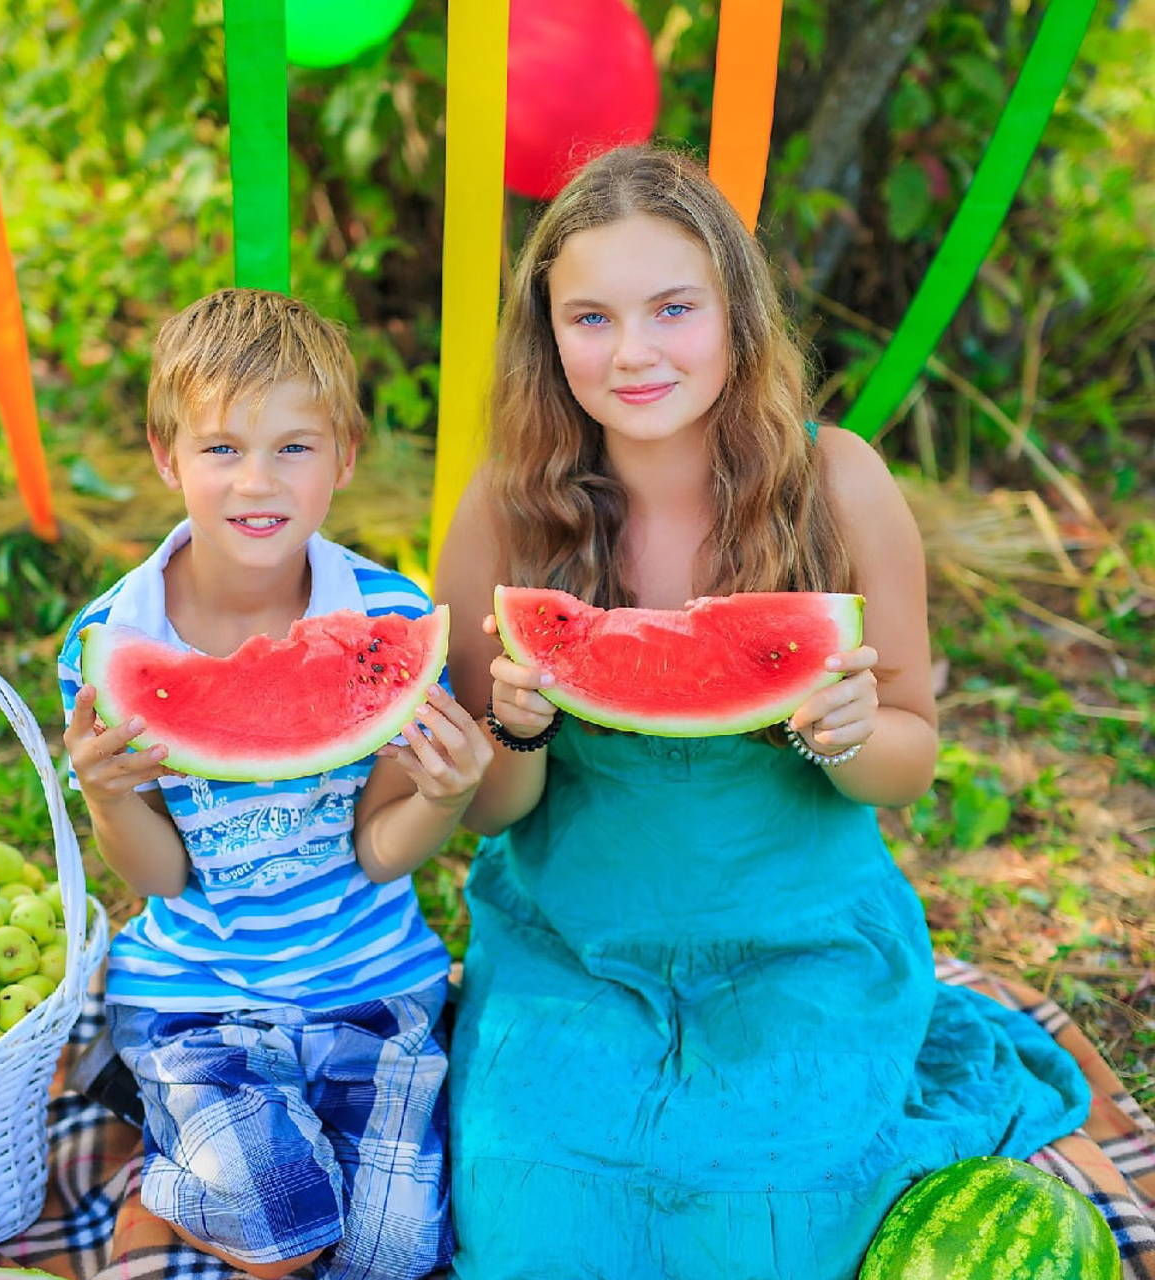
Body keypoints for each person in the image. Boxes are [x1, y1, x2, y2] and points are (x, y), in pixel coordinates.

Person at [434, 144, 1094, 1279]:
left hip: (800, 945)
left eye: (671, 309)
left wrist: (845, 732)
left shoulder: (838, 483)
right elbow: (489, 809)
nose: (632, 352)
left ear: (735, 313)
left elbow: (908, 758)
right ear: (547, 337)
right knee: (532, 1237)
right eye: (587, 317)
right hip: (573, 951)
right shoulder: (503, 512)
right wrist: (517, 731)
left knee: (774, 1229)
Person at [58, 288, 491, 1280]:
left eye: (293, 447)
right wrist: (109, 793)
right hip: (194, 996)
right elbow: (163, 877)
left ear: (342, 457)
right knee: (283, 1217)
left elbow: (379, 849)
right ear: (168, 458)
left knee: (388, 1252)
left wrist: (441, 793)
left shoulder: (389, 620)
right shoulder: (112, 639)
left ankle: (239, 1158)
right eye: (221, 449)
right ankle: (163, 1180)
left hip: (372, 987)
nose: (258, 480)